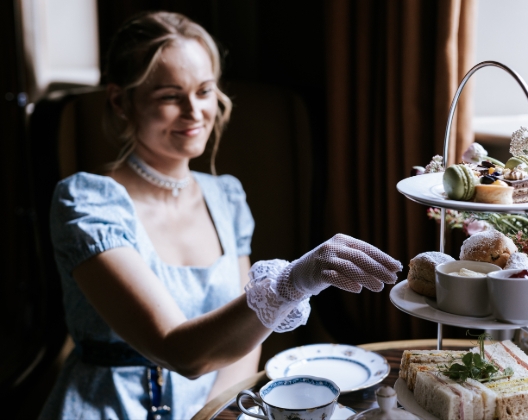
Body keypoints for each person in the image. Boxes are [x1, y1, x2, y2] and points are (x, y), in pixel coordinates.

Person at [39, 11, 402, 420]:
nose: (194, 111)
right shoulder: (86, 202)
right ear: (121, 102)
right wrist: (293, 282)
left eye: (204, 90)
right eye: (170, 96)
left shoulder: (225, 196)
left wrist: (222, 415)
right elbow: (178, 350)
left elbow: (242, 345)